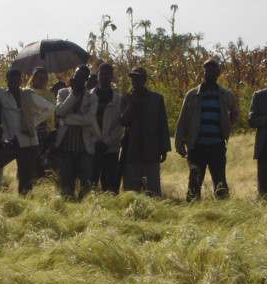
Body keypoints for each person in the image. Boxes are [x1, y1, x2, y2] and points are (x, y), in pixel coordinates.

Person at [0, 69, 55, 195]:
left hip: (29, 143)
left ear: (20, 81)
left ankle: (24, 207)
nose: (13, 85)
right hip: (12, 142)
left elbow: (49, 108)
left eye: (16, 82)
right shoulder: (2, 93)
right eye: (10, 82)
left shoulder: (28, 94)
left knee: (25, 181)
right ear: (7, 81)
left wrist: (32, 121)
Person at [175, 59, 238, 201]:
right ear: (203, 73)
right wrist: (179, 144)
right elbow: (183, 120)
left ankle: (225, 211)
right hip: (196, 147)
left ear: (218, 73)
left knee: (220, 182)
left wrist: (226, 125)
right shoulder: (192, 95)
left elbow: (235, 113)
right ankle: (192, 211)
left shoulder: (225, 95)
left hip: (217, 146)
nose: (208, 73)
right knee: (194, 182)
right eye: (206, 71)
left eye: (212, 71)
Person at [119, 67, 171, 196]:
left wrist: (164, 148)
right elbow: (123, 121)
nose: (135, 81)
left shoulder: (157, 99)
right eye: (133, 78)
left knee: (152, 191)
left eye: (138, 78)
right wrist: (132, 104)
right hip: (131, 151)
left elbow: (163, 125)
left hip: (151, 151)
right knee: (131, 193)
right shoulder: (126, 99)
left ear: (144, 80)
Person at [55, 66, 98, 200]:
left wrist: (67, 119)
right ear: (73, 76)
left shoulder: (92, 97)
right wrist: (73, 94)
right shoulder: (63, 93)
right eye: (77, 77)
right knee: (66, 186)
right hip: (66, 147)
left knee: (85, 186)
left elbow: (89, 119)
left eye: (83, 78)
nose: (79, 80)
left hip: (84, 148)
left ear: (86, 80)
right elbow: (60, 112)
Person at [91, 63, 124, 194]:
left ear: (112, 77)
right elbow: (85, 123)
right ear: (97, 77)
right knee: (90, 185)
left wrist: (106, 142)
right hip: (92, 148)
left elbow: (121, 125)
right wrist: (95, 142)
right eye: (102, 74)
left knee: (109, 187)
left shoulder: (119, 100)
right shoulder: (89, 97)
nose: (104, 77)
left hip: (111, 149)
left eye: (107, 74)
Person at [248, 66, 267, 198]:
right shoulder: (260, 96)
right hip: (266, 146)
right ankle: (263, 213)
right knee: (264, 187)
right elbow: (252, 120)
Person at [28, 67, 58, 179]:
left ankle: (41, 186)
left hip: (44, 131)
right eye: (40, 78)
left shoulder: (50, 95)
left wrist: (52, 131)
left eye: (45, 78)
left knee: (42, 160)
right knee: (29, 158)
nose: (43, 81)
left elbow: (51, 114)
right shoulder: (27, 92)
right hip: (29, 129)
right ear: (34, 78)